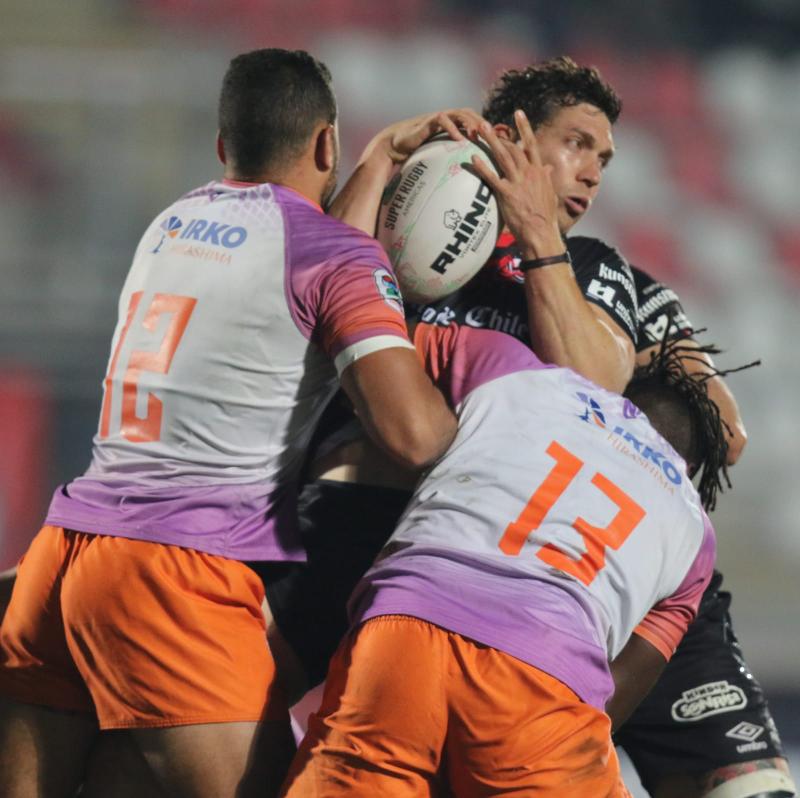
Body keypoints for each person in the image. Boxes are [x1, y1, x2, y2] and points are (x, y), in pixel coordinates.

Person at [269, 57, 796, 798]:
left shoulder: (602, 273)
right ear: (510, 138)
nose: (594, 173)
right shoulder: (408, 222)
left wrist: (543, 238)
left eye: (605, 158)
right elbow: (326, 296)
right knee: (239, 725)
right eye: (576, 144)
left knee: (745, 778)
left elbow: (713, 427)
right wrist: (381, 156)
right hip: (405, 530)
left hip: (582, 554)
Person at [0, 48, 460, 798]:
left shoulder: (173, 221)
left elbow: (302, 258)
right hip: (173, 575)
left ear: (223, 146)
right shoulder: (333, 257)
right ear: (325, 143)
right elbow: (414, 436)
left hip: (61, 559)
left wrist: (375, 163)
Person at [280, 321, 719, 797]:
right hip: (541, 677)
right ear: (690, 468)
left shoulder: (510, 365)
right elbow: (615, 696)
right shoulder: (694, 532)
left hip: (402, 624)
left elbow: (365, 333)